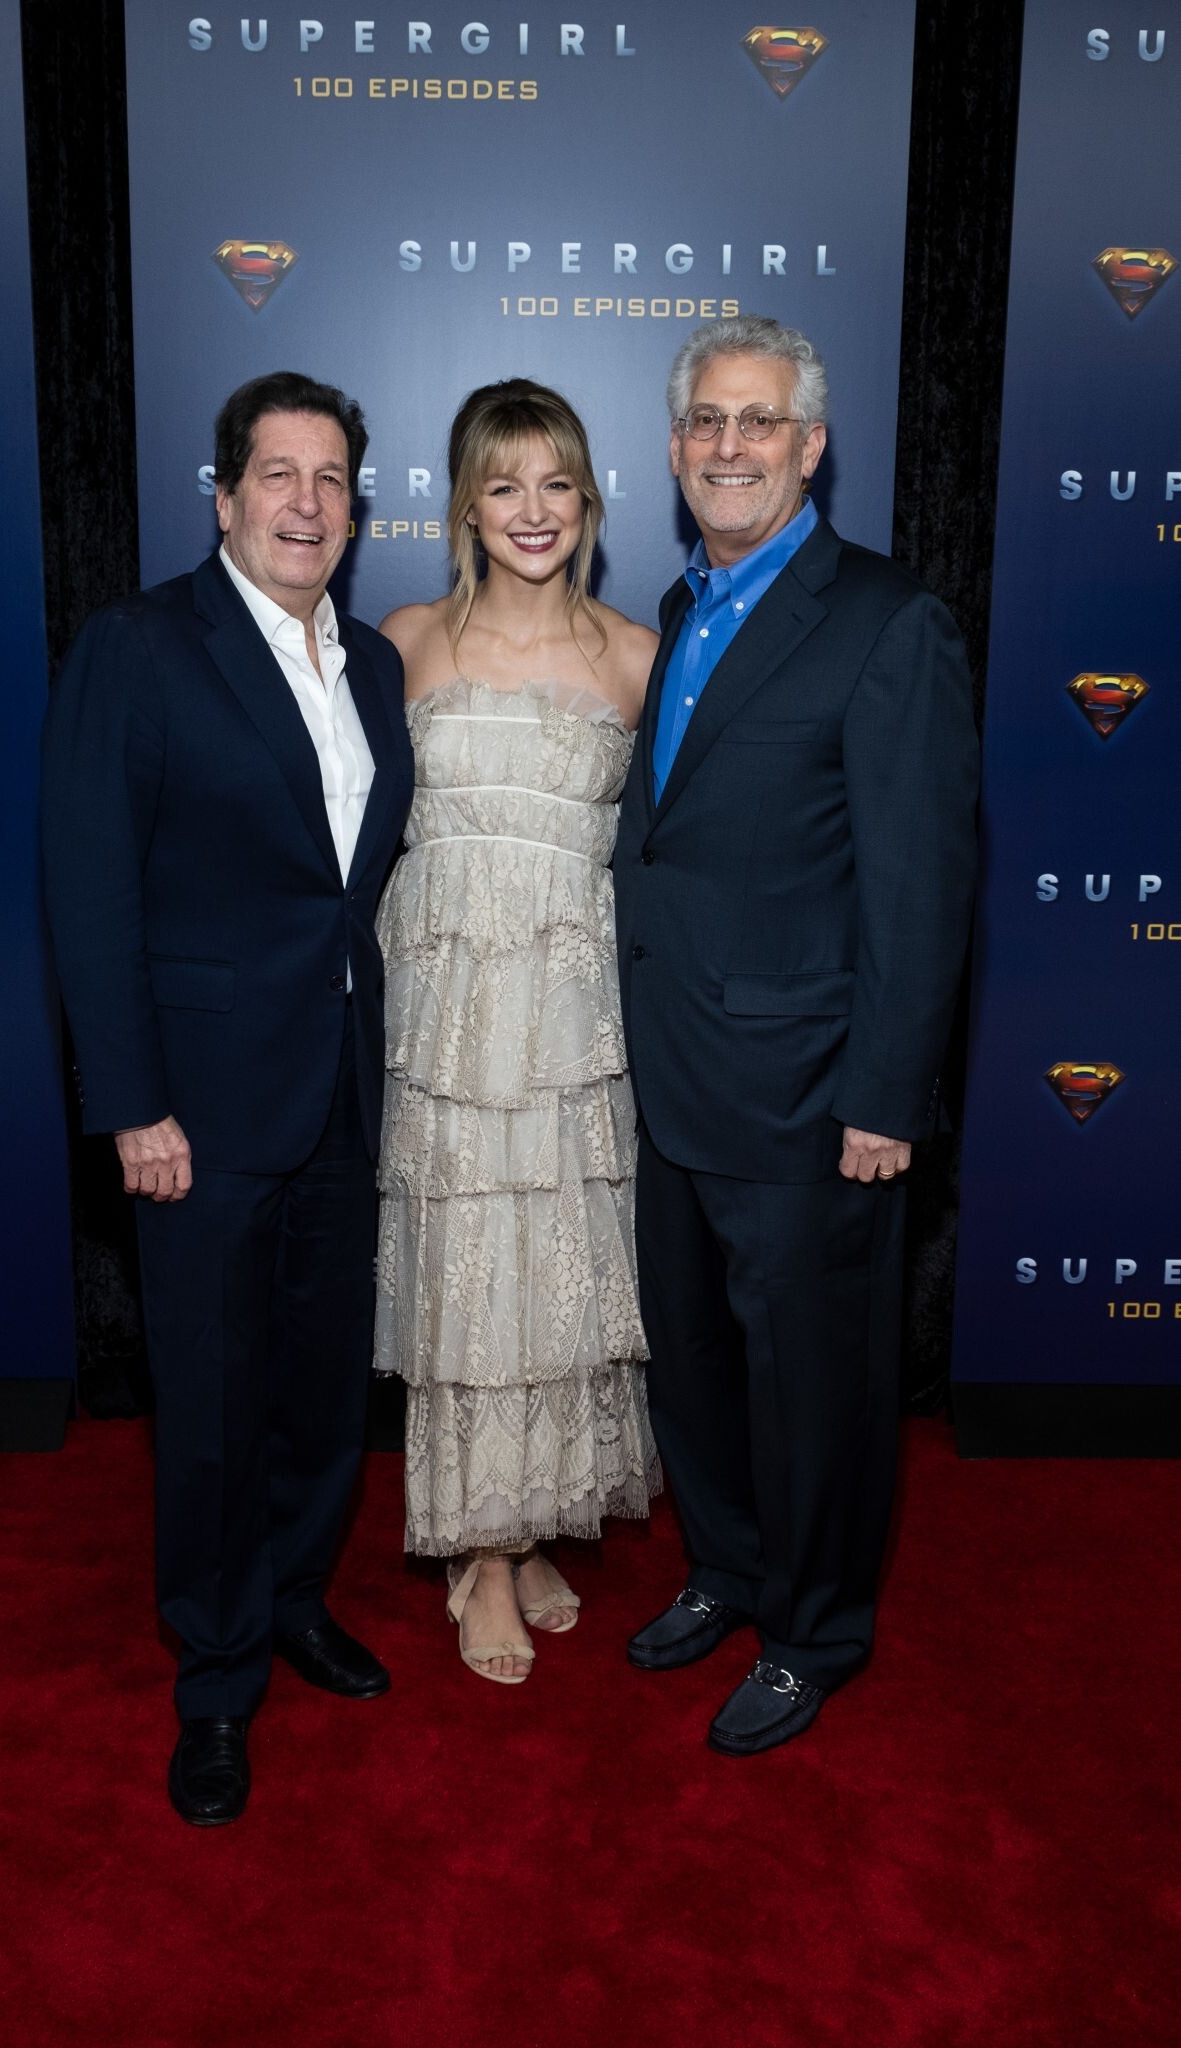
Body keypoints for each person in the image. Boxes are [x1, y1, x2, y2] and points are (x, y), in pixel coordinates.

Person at [40, 371, 415, 1822]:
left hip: (340, 1091)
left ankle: (296, 1600)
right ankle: (213, 1678)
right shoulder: (140, 646)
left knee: (321, 1388)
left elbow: (346, 894)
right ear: (224, 498)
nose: (305, 503)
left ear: (354, 510)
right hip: (195, 1109)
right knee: (206, 1403)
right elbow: (91, 891)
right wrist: (134, 1105)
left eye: (330, 480)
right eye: (278, 475)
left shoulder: (370, 665)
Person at [613, 316, 979, 1754]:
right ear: (673, 446)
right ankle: (728, 1568)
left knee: (815, 1386)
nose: (729, 446)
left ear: (811, 446)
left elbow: (919, 883)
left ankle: (814, 1630)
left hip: (812, 1091)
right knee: (696, 1361)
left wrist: (886, 1095)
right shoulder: (684, 604)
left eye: (757, 421)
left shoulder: (888, 620)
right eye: (706, 420)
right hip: (673, 1072)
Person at [374, 379, 661, 1683]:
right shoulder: (406, 643)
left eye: (555, 484)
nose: (531, 511)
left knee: (555, 1275)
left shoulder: (635, 658)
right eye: (503, 485)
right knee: (467, 1272)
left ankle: (530, 1521)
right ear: (466, 505)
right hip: (443, 1025)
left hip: (571, 1025)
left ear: (588, 500)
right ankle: (480, 1560)